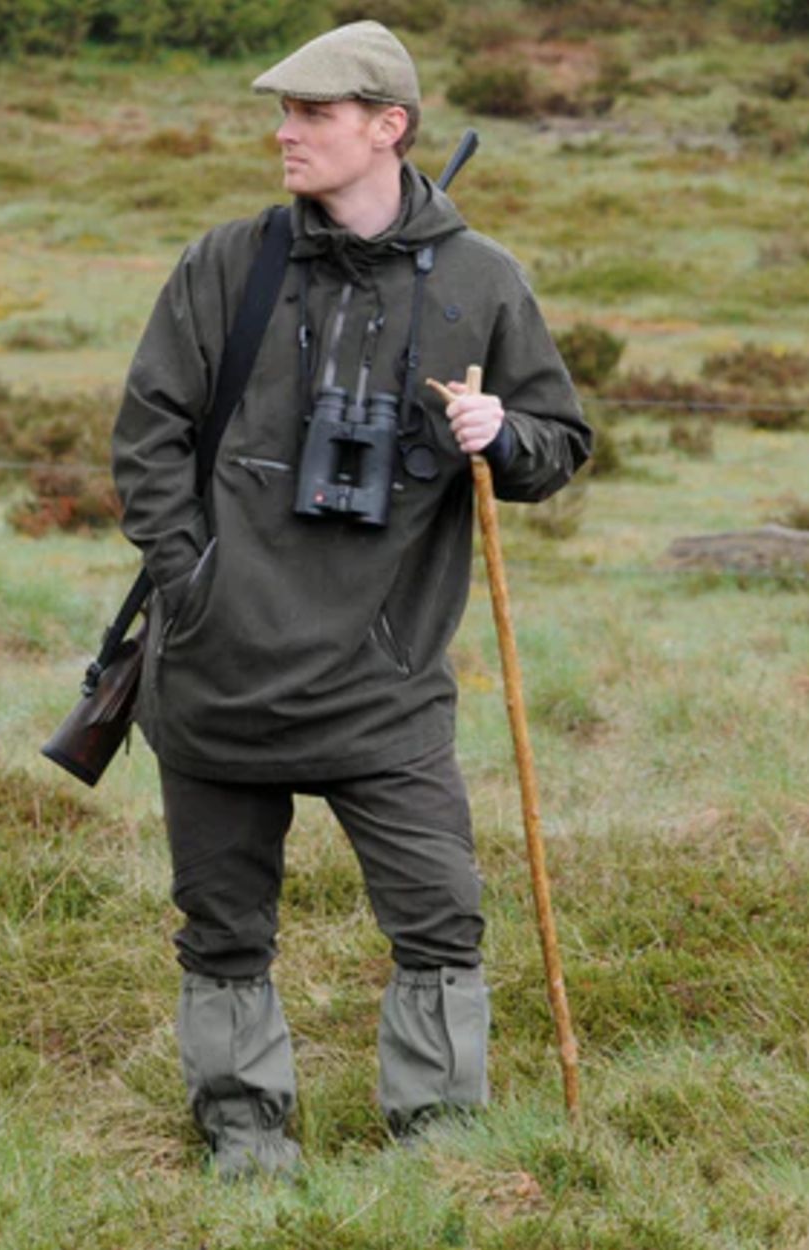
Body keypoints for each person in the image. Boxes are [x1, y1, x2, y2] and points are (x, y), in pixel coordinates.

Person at [111, 20, 591, 1180]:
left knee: (440, 920)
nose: (285, 133)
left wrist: (502, 431)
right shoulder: (228, 263)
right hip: (219, 672)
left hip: (388, 682)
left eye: (313, 115)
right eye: (281, 113)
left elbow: (560, 442)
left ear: (390, 126)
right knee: (222, 928)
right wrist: (196, 585)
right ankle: (243, 1133)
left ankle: (435, 1140)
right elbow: (147, 441)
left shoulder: (481, 281)